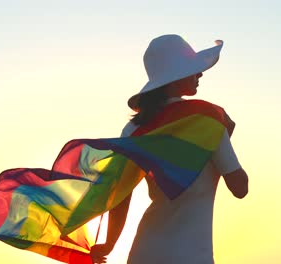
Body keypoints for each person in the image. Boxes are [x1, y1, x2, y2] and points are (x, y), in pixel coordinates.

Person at [90, 34, 249, 264]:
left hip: (144, 254)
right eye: (194, 69)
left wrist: (110, 243)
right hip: (192, 257)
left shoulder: (134, 128)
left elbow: (121, 193)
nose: (200, 74)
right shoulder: (209, 119)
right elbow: (240, 187)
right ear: (176, 78)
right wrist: (224, 134)